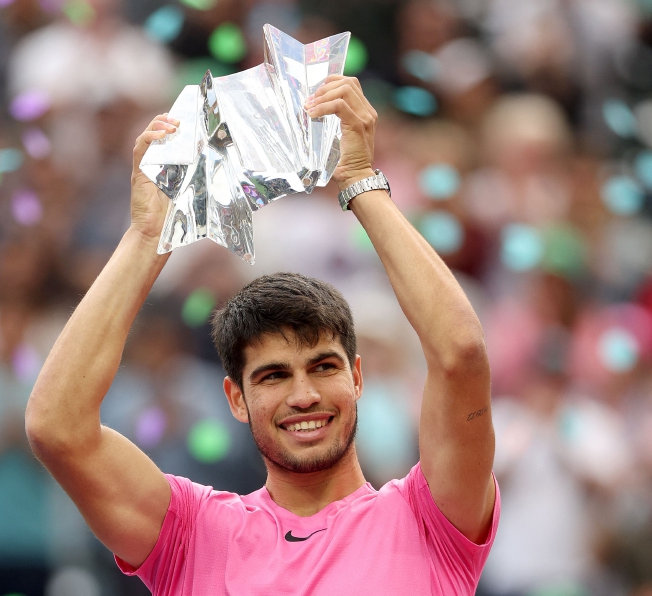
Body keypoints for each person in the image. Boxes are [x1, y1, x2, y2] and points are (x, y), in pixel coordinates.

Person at [25, 76, 499, 595]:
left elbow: (461, 354)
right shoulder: (191, 533)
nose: (304, 395)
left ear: (358, 376)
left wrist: (360, 180)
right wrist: (148, 236)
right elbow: (57, 427)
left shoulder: (430, 520)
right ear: (236, 398)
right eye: (273, 375)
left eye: (323, 366)